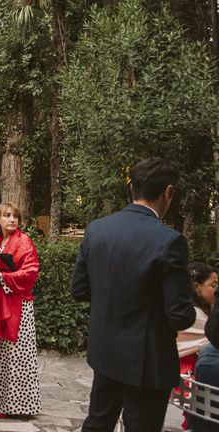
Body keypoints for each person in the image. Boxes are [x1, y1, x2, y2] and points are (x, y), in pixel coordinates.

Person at [72, 158, 196, 431]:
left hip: (106, 350)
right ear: (168, 192)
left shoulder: (98, 229)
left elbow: (78, 289)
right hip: (147, 360)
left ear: (133, 188)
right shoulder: (169, 241)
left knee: (97, 423)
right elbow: (179, 316)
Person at [0, 202, 41, 418]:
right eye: (7, 215)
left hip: (18, 305)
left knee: (17, 355)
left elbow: (31, 272)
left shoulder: (24, 242)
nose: (12, 220)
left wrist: (4, 277)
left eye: (15, 216)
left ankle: (19, 405)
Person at [176, 262, 217, 429]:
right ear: (196, 287)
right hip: (187, 375)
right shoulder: (195, 316)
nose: (217, 288)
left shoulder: (193, 310)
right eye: (213, 284)